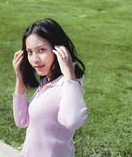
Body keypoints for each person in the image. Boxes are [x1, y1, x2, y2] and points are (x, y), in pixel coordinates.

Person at [12, 18, 88, 157]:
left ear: (58, 49)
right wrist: (20, 77)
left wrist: (69, 75)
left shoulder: (67, 85)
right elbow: (21, 120)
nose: (35, 59)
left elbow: (73, 120)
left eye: (41, 50)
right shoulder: (47, 82)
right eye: (30, 52)